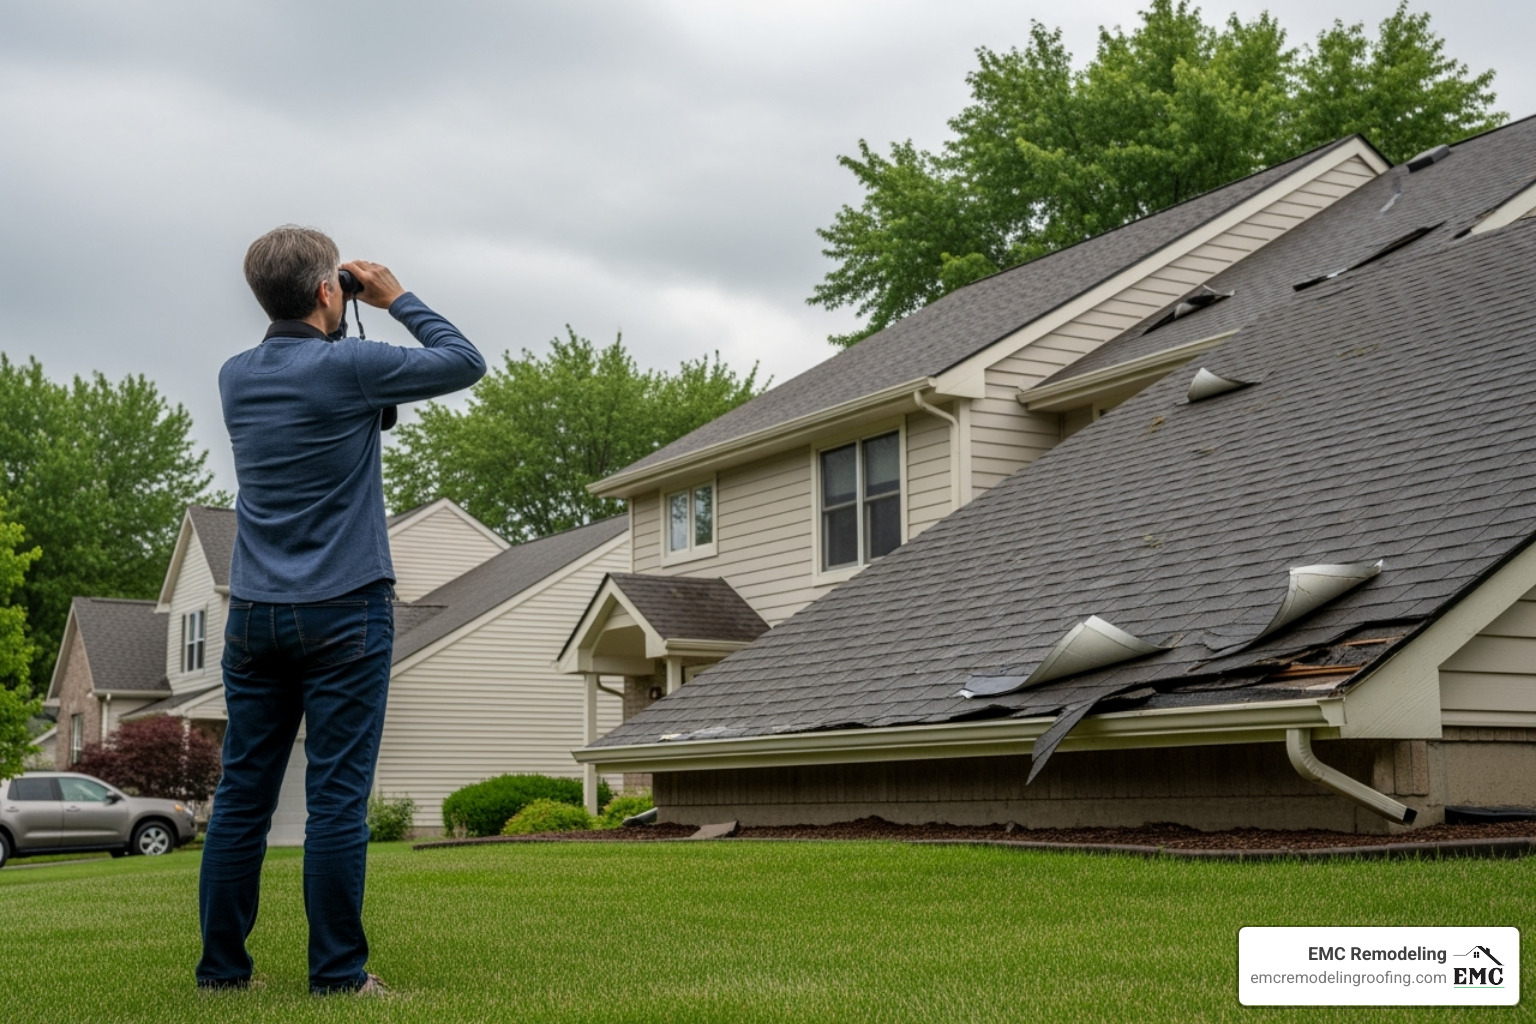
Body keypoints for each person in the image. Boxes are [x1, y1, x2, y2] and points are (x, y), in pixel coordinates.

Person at [197, 225, 485, 995]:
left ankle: (223, 975)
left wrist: (338, 306)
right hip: (345, 611)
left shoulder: (235, 375)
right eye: (337, 284)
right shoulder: (351, 366)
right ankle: (337, 976)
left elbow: (313, 359)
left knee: (241, 798)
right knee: (334, 801)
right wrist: (393, 298)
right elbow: (464, 361)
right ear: (329, 290)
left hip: (253, 613)